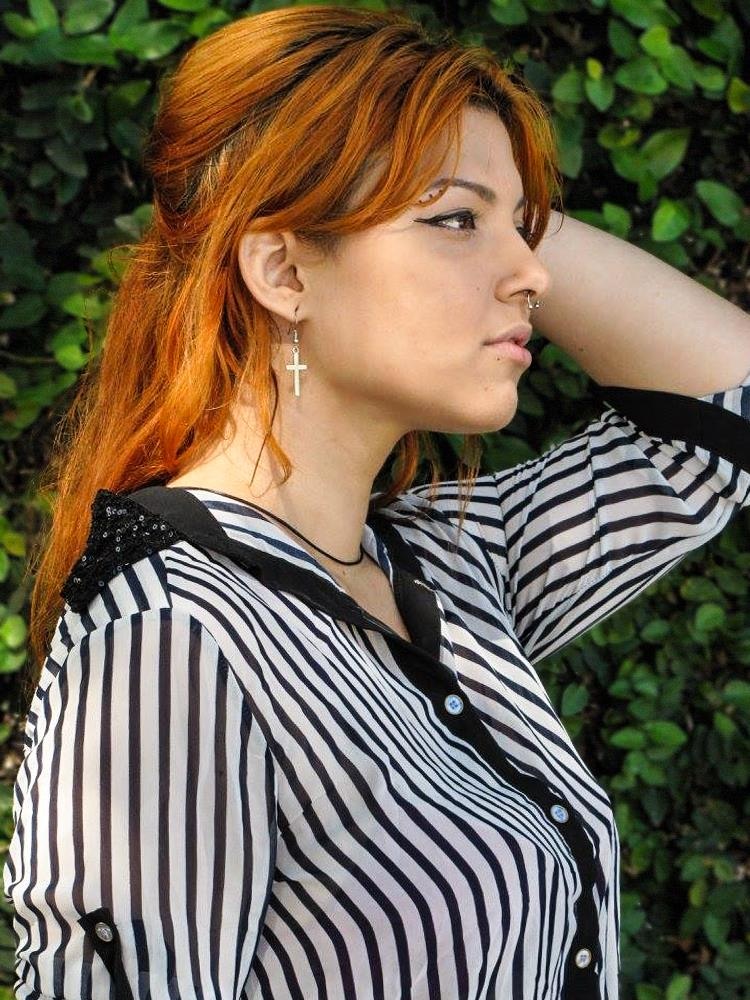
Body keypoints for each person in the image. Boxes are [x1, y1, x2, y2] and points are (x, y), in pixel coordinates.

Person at [4, 4, 750, 999]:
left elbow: (722, 420)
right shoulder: (173, 635)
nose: (533, 274)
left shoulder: (451, 564)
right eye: (454, 221)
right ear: (282, 269)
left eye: (523, 229)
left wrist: (490, 197)